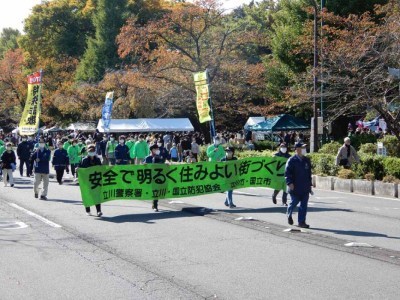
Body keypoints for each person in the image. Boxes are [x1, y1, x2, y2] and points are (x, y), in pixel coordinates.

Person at [285, 142, 313, 228]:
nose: (304, 149)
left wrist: (310, 185)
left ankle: (301, 222)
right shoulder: (291, 160)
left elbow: (309, 173)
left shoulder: (306, 160)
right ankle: (289, 213)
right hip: (295, 186)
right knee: (294, 202)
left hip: (305, 187)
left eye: (304, 148)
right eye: (302, 148)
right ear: (297, 149)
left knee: (303, 205)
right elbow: (287, 173)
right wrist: (289, 183)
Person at [79, 144, 103, 217]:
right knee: (87, 195)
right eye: (90, 151)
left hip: (96, 180)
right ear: (87, 151)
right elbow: (80, 169)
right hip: (86, 181)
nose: (91, 152)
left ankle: (98, 211)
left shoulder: (98, 159)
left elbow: (101, 168)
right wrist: (78, 170)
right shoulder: (84, 160)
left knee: (97, 196)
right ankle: (88, 210)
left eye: (93, 151)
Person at [144, 144, 164, 212]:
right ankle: (154, 203)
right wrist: (144, 165)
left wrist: (166, 164)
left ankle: (155, 205)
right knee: (151, 191)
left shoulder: (160, 157)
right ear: (152, 150)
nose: (157, 150)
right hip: (150, 177)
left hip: (157, 177)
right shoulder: (148, 158)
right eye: (155, 149)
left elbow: (162, 165)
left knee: (156, 191)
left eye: (157, 149)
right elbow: (143, 167)